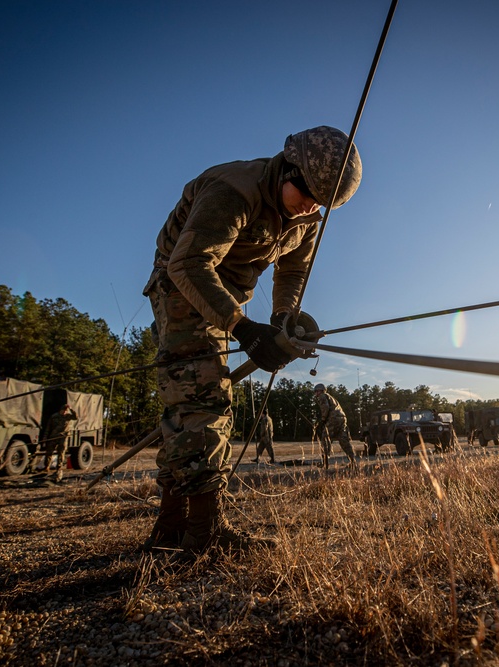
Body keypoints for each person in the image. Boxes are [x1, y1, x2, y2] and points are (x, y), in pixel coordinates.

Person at [142, 126, 362, 554]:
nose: (311, 208)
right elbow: (187, 265)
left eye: (323, 203)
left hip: (224, 294)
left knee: (189, 405)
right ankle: (201, 536)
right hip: (181, 286)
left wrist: (282, 319)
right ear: (287, 167)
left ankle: (170, 532)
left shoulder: (307, 216)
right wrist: (243, 328)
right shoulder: (233, 191)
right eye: (307, 192)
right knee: (206, 402)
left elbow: (294, 272)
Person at [313, 383, 357, 468]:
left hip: (334, 418)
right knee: (343, 440)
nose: (316, 394)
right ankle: (353, 461)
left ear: (320, 391)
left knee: (325, 438)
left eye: (316, 392)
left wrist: (322, 420)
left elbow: (325, 408)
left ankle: (325, 463)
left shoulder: (322, 396)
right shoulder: (331, 397)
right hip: (342, 418)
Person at [41, 403, 76, 482]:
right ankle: (46, 467)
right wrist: (45, 438)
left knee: (61, 453)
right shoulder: (54, 417)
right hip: (53, 436)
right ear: (60, 410)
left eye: (66, 411)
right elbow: (48, 427)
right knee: (49, 452)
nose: (64, 413)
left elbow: (76, 417)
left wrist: (71, 409)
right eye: (63, 411)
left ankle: (59, 468)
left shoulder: (68, 416)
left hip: (63, 437)